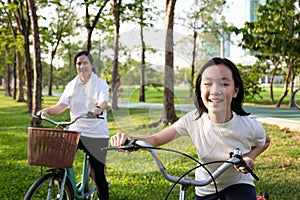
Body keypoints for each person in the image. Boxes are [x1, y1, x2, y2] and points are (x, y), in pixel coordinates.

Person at [110, 57, 271, 200]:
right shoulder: (193, 120)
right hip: (205, 186)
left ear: (235, 91)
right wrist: (128, 139)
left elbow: (265, 141)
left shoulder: (249, 125)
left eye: (224, 84)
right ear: (200, 90)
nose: (215, 91)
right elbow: (156, 139)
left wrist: (250, 156)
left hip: (238, 183)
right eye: (208, 84)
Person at [38, 50, 109, 200]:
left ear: (92, 65)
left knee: (97, 174)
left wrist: (98, 109)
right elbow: (61, 106)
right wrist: (47, 110)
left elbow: (103, 100)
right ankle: (65, 193)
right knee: (59, 162)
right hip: (75, 133)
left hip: (96, 135)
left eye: (85, 63)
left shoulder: (99, 83)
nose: (81, 66)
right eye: (78, 63)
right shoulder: (72, 85)